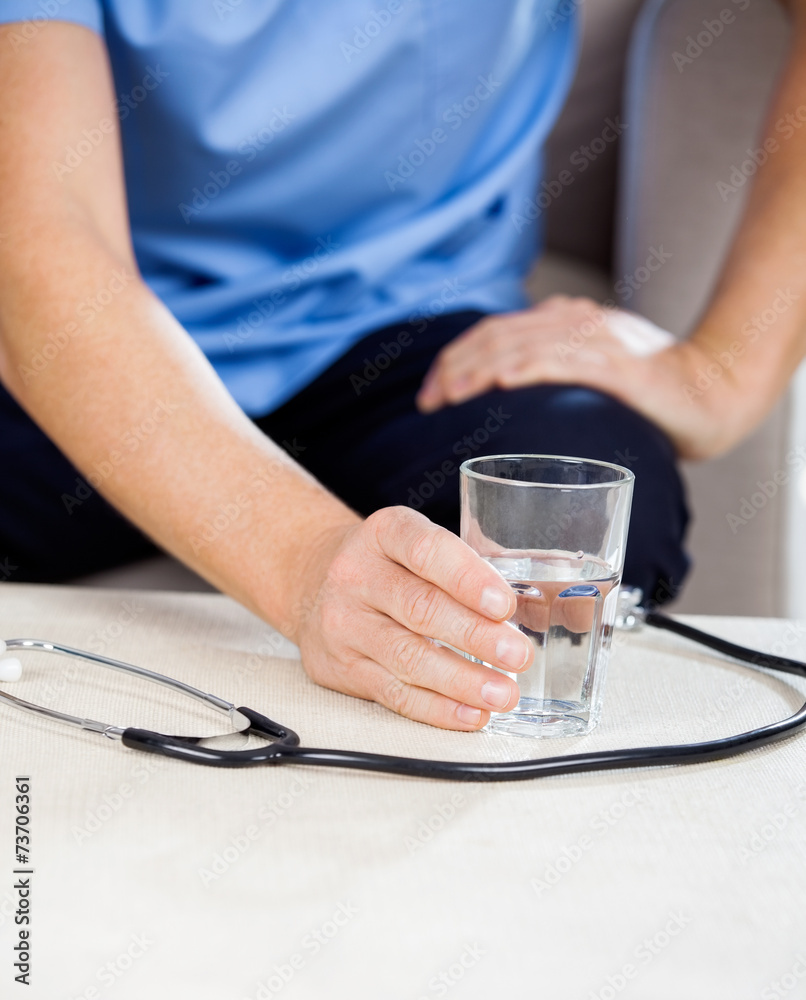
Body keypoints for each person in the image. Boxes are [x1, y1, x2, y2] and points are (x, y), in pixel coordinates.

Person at [0, 2, 804, 732]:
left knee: (593, 505)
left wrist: (722, 376)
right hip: (99, 349)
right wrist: (302, 562)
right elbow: (44, 244)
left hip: (419, 337)